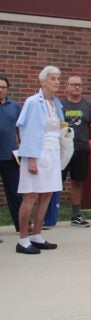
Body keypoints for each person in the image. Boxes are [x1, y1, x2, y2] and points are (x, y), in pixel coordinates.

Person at [15, 66, 64, 254]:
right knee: (31, 195)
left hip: (53, 153)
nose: (57, 82)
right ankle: (23, 239)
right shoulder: (34, 102)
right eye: (53, 78)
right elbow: (26, 131)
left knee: (47, 195)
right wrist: (31, 159)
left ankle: (37, 234)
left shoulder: (55, 103)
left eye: (58, 78)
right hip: (36, 153)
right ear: (43, 81)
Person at [60, 75, 91, 228]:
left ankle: (76, 216)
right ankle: (48, 217)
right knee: (56, 182)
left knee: (77, 181)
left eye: (79, 85)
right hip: (61, 149)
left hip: (81, 148)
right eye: (74, 84)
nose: (77, 87)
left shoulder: (89, 106)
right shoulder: (59, 105)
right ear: (67, 87)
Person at [0, 75, 22, 236]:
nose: (1, 90)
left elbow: (21, 129)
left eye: (3, 87)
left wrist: (23, 146)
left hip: (10, 156)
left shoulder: (14, 106)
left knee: (15, 193)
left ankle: (21, 226)